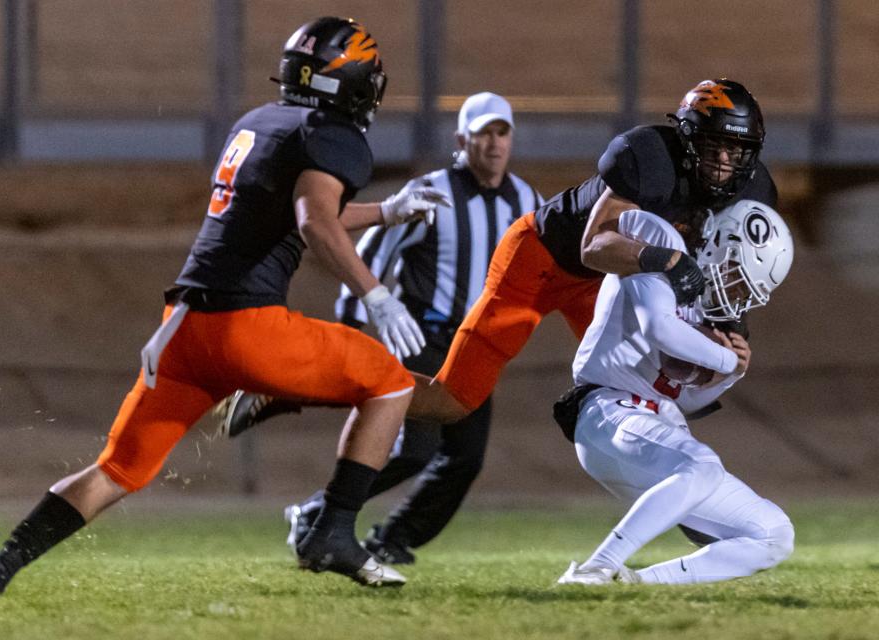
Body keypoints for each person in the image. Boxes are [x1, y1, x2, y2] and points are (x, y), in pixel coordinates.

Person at [0, 16, 451, 594]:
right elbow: (315, 221)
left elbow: (298, 211)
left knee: (116, 470)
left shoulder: (258, 123)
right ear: (353, 83)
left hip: (181, 331)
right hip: (248, 330)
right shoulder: (333, 133)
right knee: (390, 384)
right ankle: (331, 531)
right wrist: (376, 293)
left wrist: (385, 212)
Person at [223, 79, 778, 552]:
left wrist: (732, 331)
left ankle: (700, 515)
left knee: (662, 392)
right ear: (685, 139)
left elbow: (738, 264)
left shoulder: (752, 192)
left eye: (737, 150)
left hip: (613, 284)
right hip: (546, 258)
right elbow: (594, 244)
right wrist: (668, 260)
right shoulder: (650, 156)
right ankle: (295, 384)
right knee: (449, 401)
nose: (725, 162)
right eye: (713, 146)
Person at [218, 92, 541, 563]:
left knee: (464, 459)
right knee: (416, 448)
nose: (493, 144)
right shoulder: (435, 191)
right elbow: (375, 252)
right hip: (423, 336)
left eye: (502, 132)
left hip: (476, 347)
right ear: (462, 140)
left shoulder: (527, 199)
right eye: (483, 133)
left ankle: (387, 536)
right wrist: (354, 315)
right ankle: (321, 500)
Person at [556, 199, 795, 585]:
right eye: (737, 276)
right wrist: (723, 359)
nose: (735, 296)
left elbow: (680, 400)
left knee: (773, 534)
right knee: (702, 464)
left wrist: (732, 374)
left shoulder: (701, 310)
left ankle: (632, 584)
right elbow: (660, 328)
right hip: (607, 410)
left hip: (650, 422)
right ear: (719, 244)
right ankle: (595, 569)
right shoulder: (662, 245)